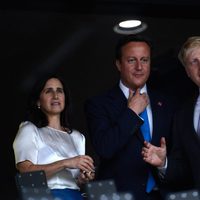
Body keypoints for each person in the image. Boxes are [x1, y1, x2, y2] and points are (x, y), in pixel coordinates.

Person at [84, 34, 177, 200]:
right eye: (132, 60)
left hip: (161, 195)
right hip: (119, 196)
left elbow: (178, 153)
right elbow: (105, 148)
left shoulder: (167, 103)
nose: (139, 67)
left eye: (145, 60)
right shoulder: (98, 104)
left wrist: (164, 164)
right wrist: (132, 113)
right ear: (119, 64)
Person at [13, 74, 95, 200]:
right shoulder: (29, 129)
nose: (55, 96)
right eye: (48, 91)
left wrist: (83, 177)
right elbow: (26, 174)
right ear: (38, 101)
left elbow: (73, 182)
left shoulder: (77, 137)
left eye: (59, 91)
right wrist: (67, 163)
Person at [142, 36, 200, 193]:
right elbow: (184, 169)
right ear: (187, 72)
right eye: (194, 62)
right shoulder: (182, 115)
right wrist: (164, 163)